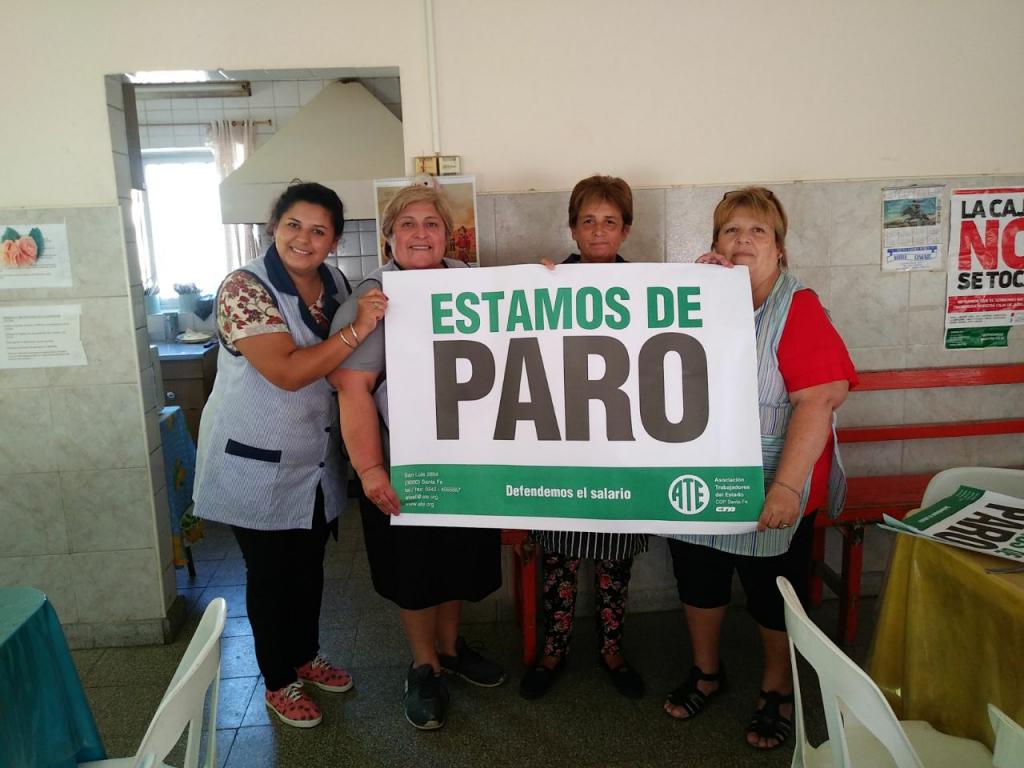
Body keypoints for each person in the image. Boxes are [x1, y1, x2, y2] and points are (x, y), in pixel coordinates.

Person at [663, 187, 857, 750]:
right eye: (731, 230)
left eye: (757, 231)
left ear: (779, 248)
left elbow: (820, 399)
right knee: (698, 578)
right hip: (698, 473)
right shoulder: (698, 296)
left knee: (773, 591)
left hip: (778, 476)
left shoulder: (799, 307)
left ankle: (777, 688)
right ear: (715, 243)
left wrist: (787, 487)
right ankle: (707, 672)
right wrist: (689, 291)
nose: (743, 240)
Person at [193, 182, 387, 729]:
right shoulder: (243, 288)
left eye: (319, 231)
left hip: (315, 460)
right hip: (254, 460)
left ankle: (305, 654)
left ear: (333, 241)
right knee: (271, 574)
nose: (304, 239)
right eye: (294, 225)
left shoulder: (335, 282)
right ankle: (279, 679)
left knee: (307, 568)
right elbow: (287, 371)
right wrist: (357, 330)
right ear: (273, 227)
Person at [329, 184, 505, 731]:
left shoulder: (471, 283)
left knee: (457, 560)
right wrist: (370, 470)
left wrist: (550, 282)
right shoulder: (370, 299)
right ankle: (423, 665)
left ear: (449, 235)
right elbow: (353, 389)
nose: (421, 234)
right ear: (389, 236)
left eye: (432, 223)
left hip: (467, 459)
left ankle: (450, 648)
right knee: (415, 569)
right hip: (402, 462)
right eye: (407, 224)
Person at [518, 175, 647, 701]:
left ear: (626, 230)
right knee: (559, 557)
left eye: (610, 221)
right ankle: (554, 649)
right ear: (572, 228)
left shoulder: (647, 287)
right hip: (563, 444)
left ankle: (612, 649)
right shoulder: (549, 281)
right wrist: (531, 285)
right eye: (588, 220)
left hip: (620, 445)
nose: (598, 231)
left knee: (616, 559)